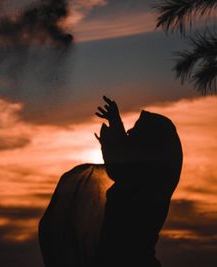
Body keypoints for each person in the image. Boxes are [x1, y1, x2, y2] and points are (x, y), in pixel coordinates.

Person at [39, 96, 182, 267]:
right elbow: (124, 162)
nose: (129, 133)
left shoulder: (148, 181)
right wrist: (115, 126)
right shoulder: (143, 177)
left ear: (150, 143)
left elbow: (123, 164)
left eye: (135, 131)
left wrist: (115, 126)